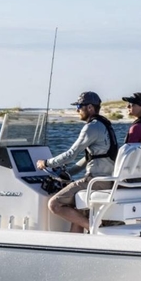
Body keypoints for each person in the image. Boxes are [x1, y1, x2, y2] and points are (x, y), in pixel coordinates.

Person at [35, 91, 118, 233]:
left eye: (79, 106)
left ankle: (96, 230)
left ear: (90, 108)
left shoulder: (91, 127)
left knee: (54, 204)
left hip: (95, 181)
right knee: (78, 212)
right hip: (108, 180)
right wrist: (69, 172)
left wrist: (47, 163)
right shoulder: (105, 125)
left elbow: (71, 154)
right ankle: (76, 243)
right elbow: (90, 158)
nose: (77, 110)